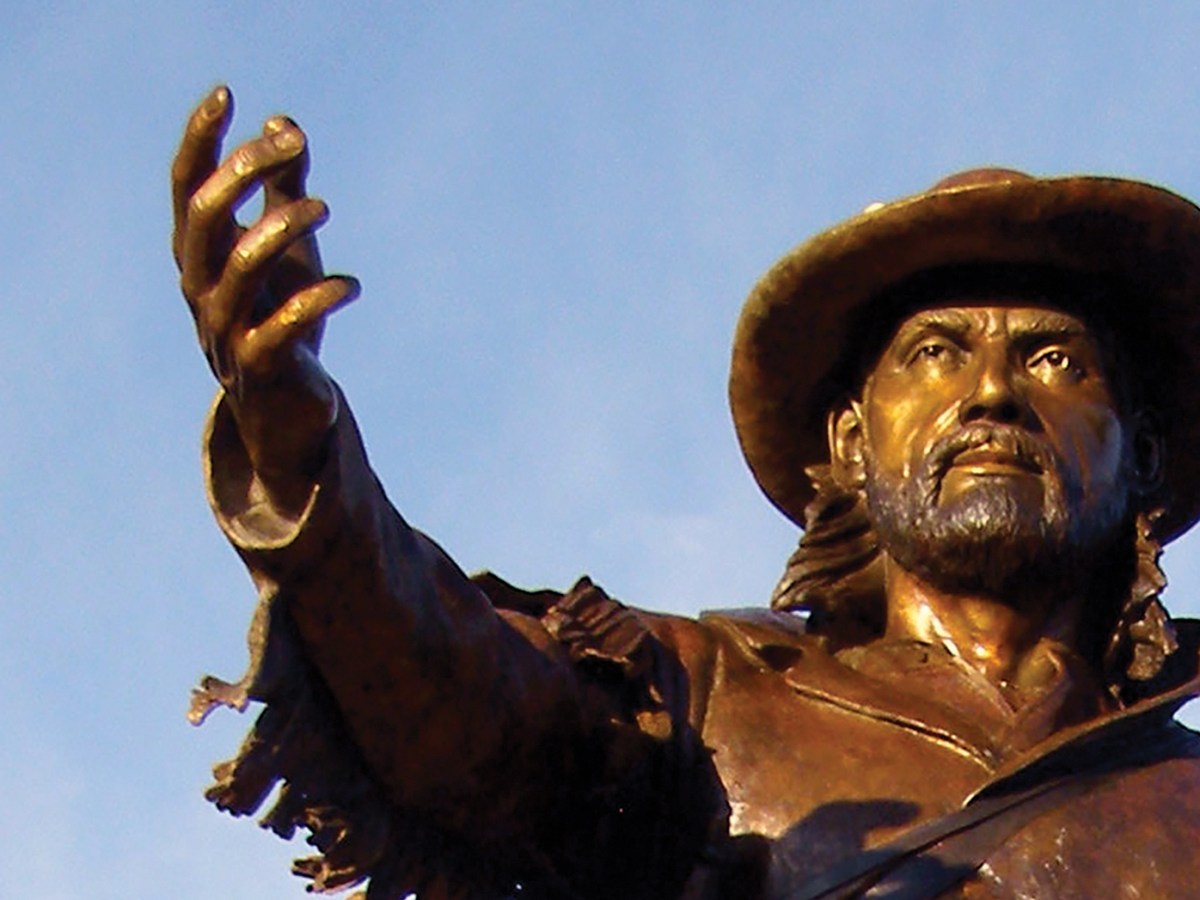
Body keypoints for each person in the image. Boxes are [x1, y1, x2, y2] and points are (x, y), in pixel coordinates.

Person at [174, 86, 1200, 899]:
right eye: (935, 353)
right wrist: (303, 454)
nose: (991, 395)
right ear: (849, 442)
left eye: (1055, 360)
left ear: (1145, 452)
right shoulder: (710, 695)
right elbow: (452, 697)